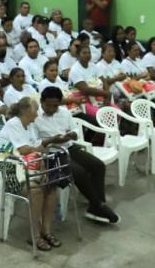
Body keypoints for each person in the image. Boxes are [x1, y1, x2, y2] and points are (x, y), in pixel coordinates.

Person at [35, 87, 119, 224]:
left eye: (55, 105)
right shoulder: (35, 117)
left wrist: (72, 134)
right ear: (41, 102)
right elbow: (32, 142)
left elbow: (74, 129)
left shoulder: (63, 112)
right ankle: (98, 206)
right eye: (48, 105)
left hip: (68, 146)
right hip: (50, 154)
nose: (51, 109)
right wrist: (51, 140)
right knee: (79, 172)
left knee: (98, 166)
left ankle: (97, 204)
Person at [0, 97, 60, 251]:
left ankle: (46, 231)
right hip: (6, 166)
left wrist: (43, 164)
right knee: (36, 191)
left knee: (50, 187)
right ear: (26, 111)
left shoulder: (31, 126)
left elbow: (37, 149)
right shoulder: (13, 124)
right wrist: (38, 152)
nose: (38, 114)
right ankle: (34, 235)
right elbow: (24, 149)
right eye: (35, 110)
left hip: (27, 165)